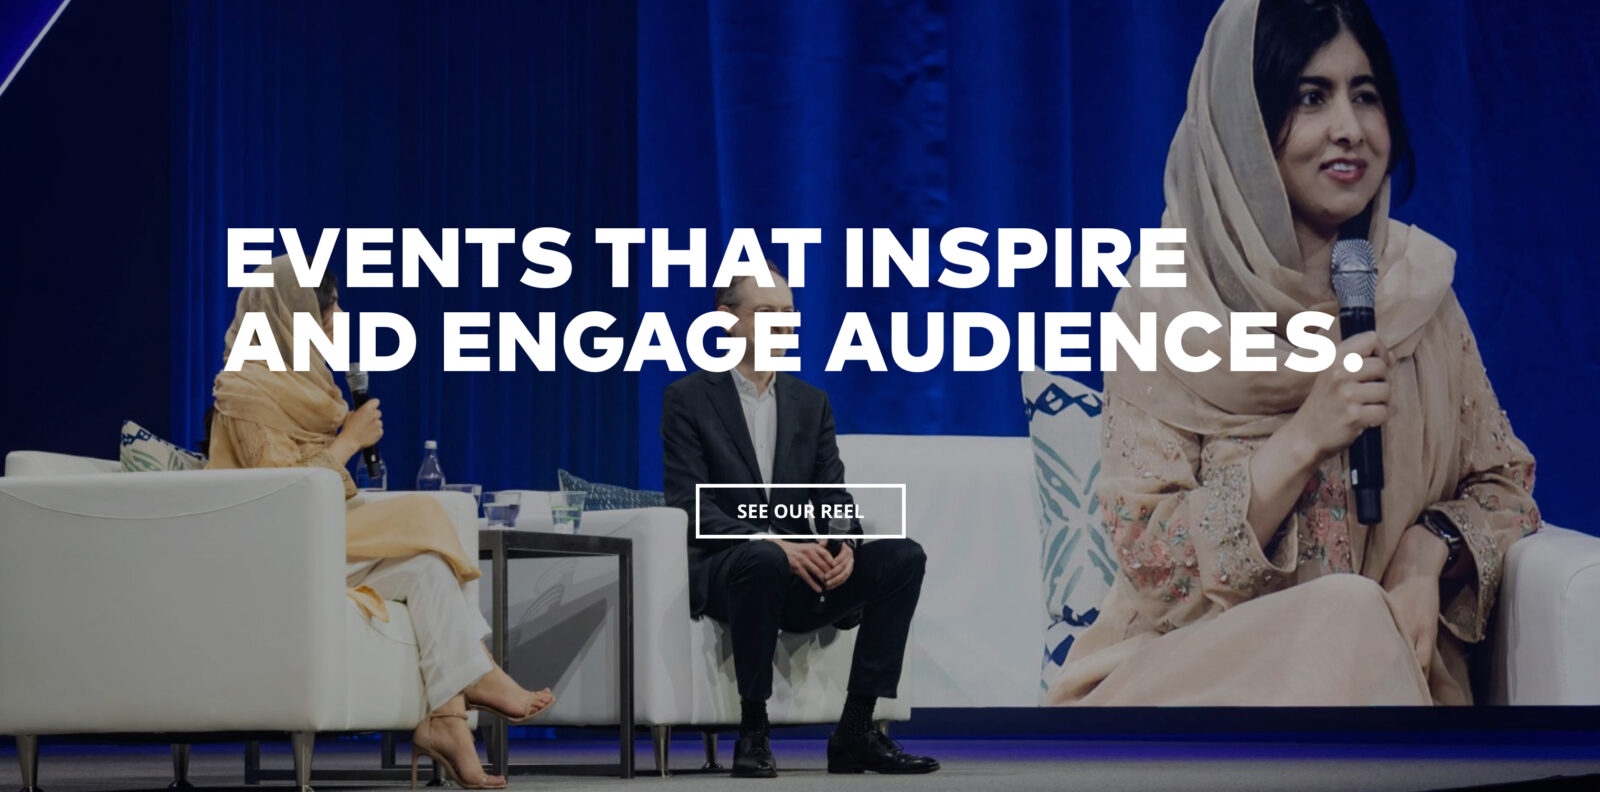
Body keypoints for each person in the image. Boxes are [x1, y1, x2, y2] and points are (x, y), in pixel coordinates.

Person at [1048, 0, 1540, 706]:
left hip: (1376, 691)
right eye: (1312, 97)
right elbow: (1158, 570)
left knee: (1357, 617)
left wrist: (1428, 549)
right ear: (1244, 125)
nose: (1350, 129)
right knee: (1349, 611)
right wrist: (1305, 437)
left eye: (1365, 96)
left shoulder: (1416, 294)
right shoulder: (1167, 307)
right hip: (1184, 691)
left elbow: (1506, 487)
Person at [204, 256, 554, 788]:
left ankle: (448, 724)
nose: (339, 318)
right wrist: (348, 441)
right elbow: (280, 495)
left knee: (429, 569)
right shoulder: (246, 389)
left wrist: (343, 439)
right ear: (292, 316)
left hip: (321, 539)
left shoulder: (306, 382)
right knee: (424, 514)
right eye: (329, 308)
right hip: (275, 548)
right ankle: (480, 670)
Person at [660, 267, 939, 777]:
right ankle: (753, 731)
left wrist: (845, 545)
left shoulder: (811, 403)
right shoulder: (689, 399)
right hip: (732, 571)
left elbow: (833, 495)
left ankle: (856, 730)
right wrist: (774, 542)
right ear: (726, 320)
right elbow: (691, 505)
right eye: (768, 313)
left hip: (801, 573)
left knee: (902, 556)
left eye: (789, 313)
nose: (784, 325)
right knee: (765, 557)